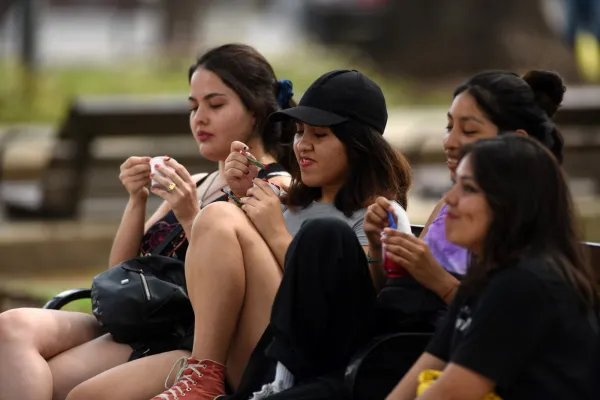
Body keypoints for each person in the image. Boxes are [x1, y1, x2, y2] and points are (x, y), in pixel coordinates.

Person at [222, 69, 573, 400]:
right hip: (383, 352)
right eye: (449, 127)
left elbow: (474, 340)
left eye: (468, 131)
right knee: (319, 234)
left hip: (391, 357)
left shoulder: (529, 258)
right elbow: (420, 322)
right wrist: (380, 247)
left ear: (516, 143)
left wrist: (434, 277)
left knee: (324, 235)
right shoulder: (448, 210)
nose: (449, 142)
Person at [0, 43, 294, 400]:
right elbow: (122, 276)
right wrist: (137, 200)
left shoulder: (273, 188)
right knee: (10, 327)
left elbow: (248, 294)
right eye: (193, 106)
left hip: (186, 335)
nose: (199, 118)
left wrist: (189, 216)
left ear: (257, 109)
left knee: (63, 388)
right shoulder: (199, 182)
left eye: (215, 105)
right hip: (144, 319)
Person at [146, 69, 412, 400]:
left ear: (359, 145)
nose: (303, 146)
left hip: (304, 366)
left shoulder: (377, 215)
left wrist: (273, 231)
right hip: (246, 353)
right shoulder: (290, 202)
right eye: (300, 132)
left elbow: (350, 305)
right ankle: (204, 374)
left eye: (320, 135)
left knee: (225, 216)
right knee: (218, 214)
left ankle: (203, 376)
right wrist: (241, 198)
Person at [387, 134, 599, 400]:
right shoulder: (485, 277)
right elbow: (427, 366)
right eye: (455, 185)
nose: (449, 199)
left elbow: (452, 393)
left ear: (512, 204)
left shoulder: (524, 283)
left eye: (469, 189)